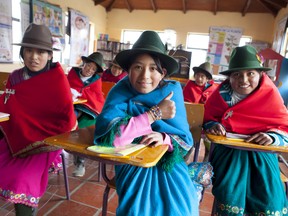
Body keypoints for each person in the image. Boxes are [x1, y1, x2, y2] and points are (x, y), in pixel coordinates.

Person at [94, 31, 212, 216]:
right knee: (139, 209)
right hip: (133, 162)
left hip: (168, 161)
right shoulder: (119, 92)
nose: (145, 76)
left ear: (163, 72)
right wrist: (153, 114)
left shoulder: (172, 91)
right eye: (138, 67)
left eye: (153, 69)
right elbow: (115, 139)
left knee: (183, 206)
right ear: (129, 71)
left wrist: (164, 137)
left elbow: (184, 140)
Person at [0, 23, 76, 215]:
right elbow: (8, 106)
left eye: (41, 52)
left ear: (50, 55)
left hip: (45, 142)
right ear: (22, 52)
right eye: (29, 50)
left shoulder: (57, 80)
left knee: (21, 178)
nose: (34, 57)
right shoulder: (16, 77)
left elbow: (66, 121)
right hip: (16, 136)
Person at [203, 45, 288, 215]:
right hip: (229, 154)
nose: (244, 79)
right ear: (229, 78)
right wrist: (213, 126)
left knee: (269, 195)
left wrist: (271, 137)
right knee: (230, 193)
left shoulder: (271, 94)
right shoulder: (220, 95)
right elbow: (208, 118)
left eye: (250, 73)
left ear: (260, 74)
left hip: (262, 155)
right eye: (237, 74)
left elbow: (283, 126)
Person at [67, 52, 105, 177]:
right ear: (84, 64)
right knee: (67, 119)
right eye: (88, 66)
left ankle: (80, 162)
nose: (90, 70)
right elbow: (64, 88)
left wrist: (81, 94)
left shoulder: (96, 80)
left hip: (89, 111)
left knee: (82, 128)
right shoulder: (72, 74)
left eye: (93, 69)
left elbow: (97, 97)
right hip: (70, 106)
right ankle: (53, 156)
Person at [183, 62, 218, 162]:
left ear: (207, 79)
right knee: (189, 145)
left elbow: (215, 107)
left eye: (202, 76)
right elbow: (185, 104)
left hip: (207, 122)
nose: (199, 79)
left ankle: (205, 165)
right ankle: (182, 164)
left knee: (210, 147)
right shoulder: (190, 86)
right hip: (192, 122)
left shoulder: (214, 89)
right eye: (197, 75)